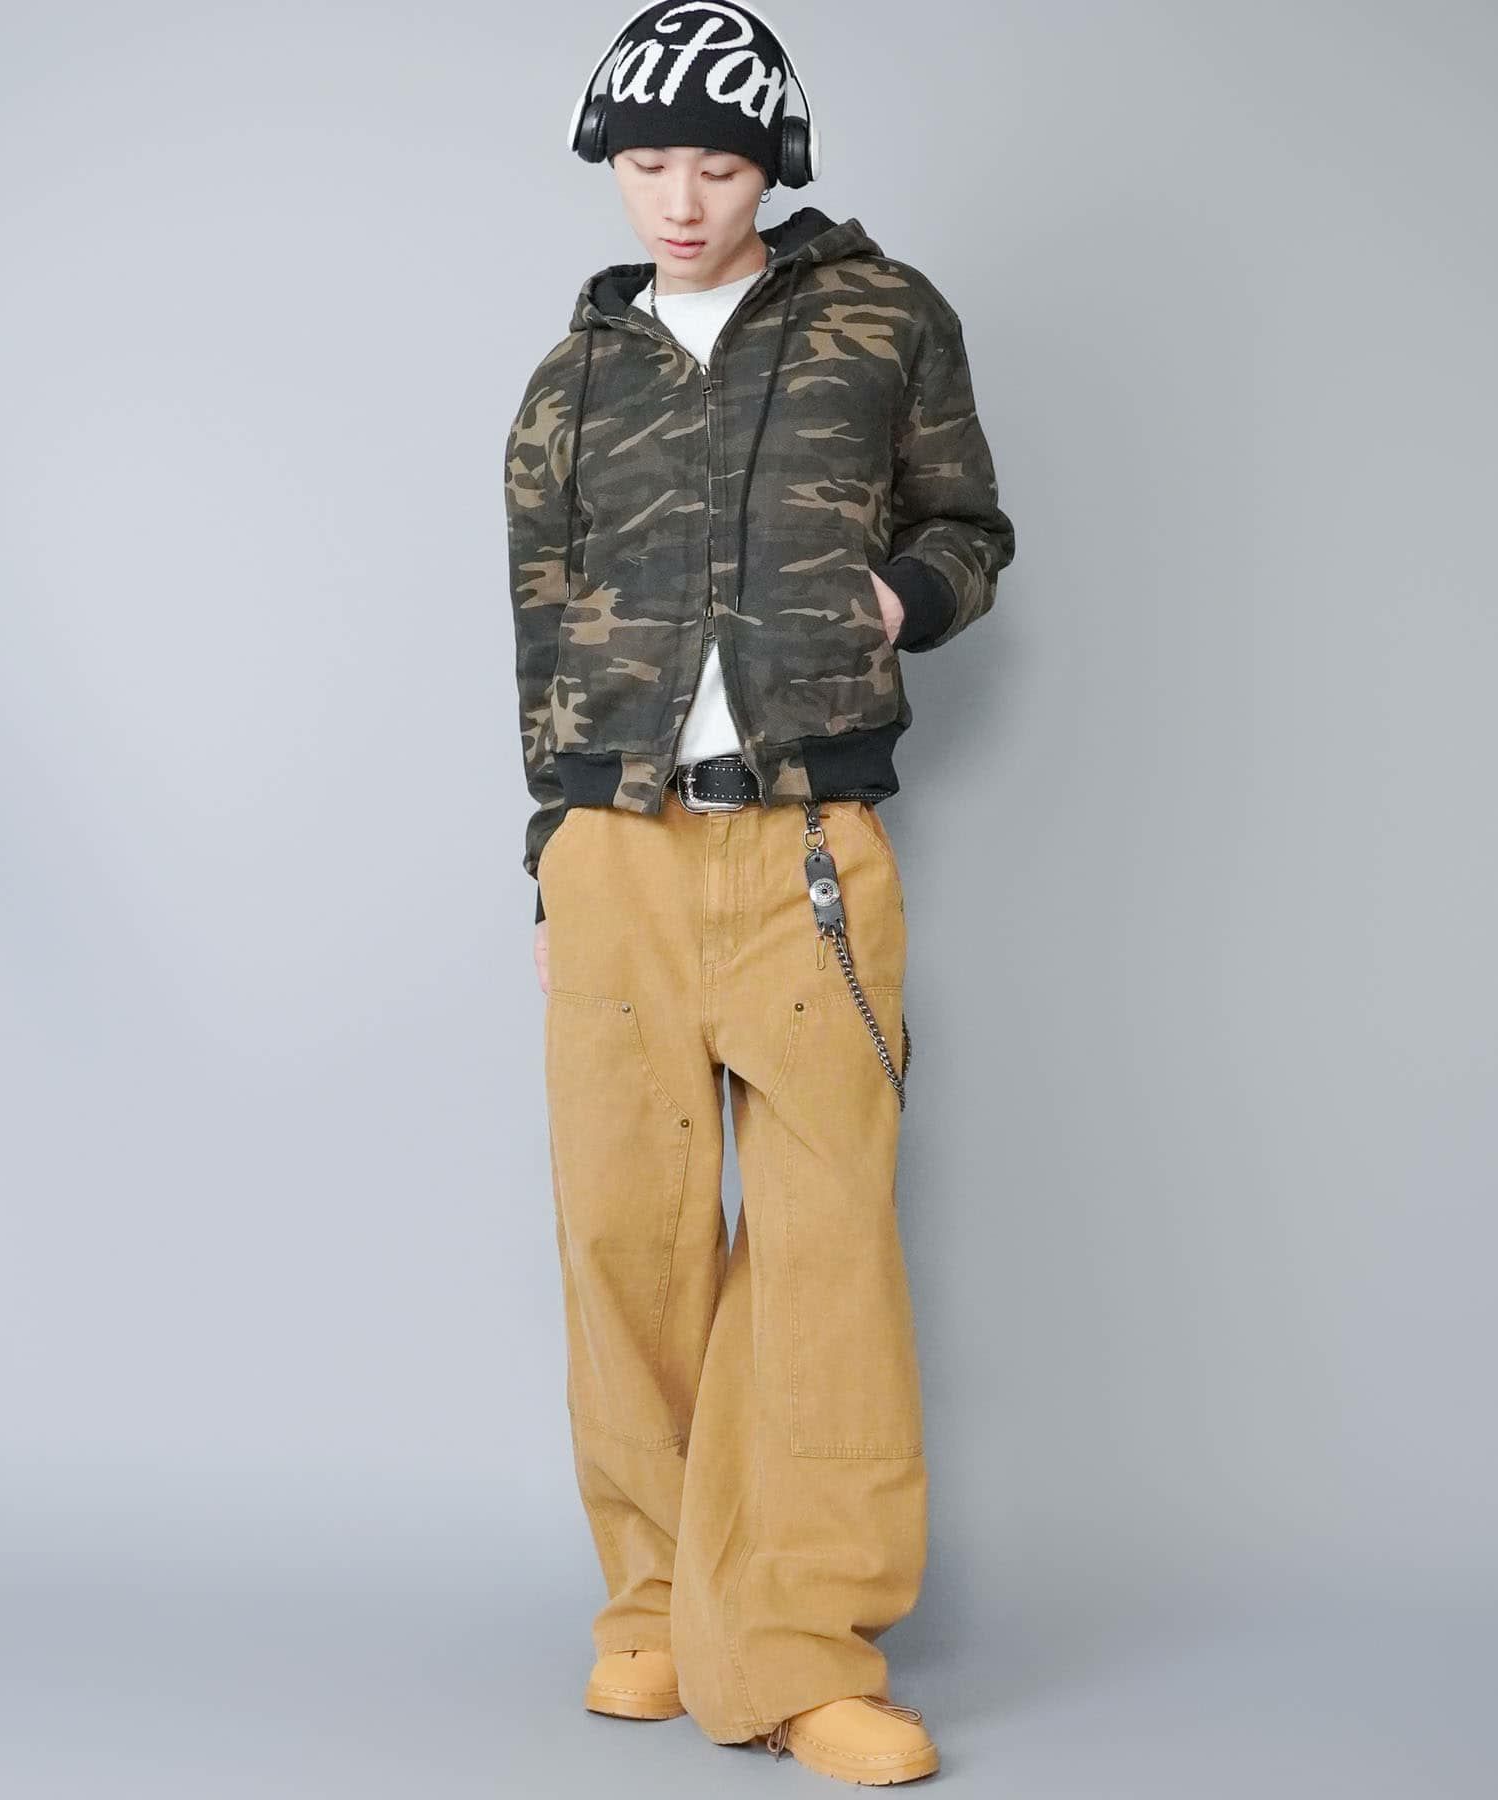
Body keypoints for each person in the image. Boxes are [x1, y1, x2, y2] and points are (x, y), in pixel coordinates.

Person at [503, 2, 1014, 1783]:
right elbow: (541, 631)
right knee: (624, 1243)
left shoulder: (885, 317)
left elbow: (969, 528)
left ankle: (802, 1646)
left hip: (806, 848)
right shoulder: (572, 380)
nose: (679, 200)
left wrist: (895, 600)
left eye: (715, 166)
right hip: (615, 853)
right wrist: (551, 853)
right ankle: (653, 1607)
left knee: (822, 1254)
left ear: (771, 166)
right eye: (647, 163)